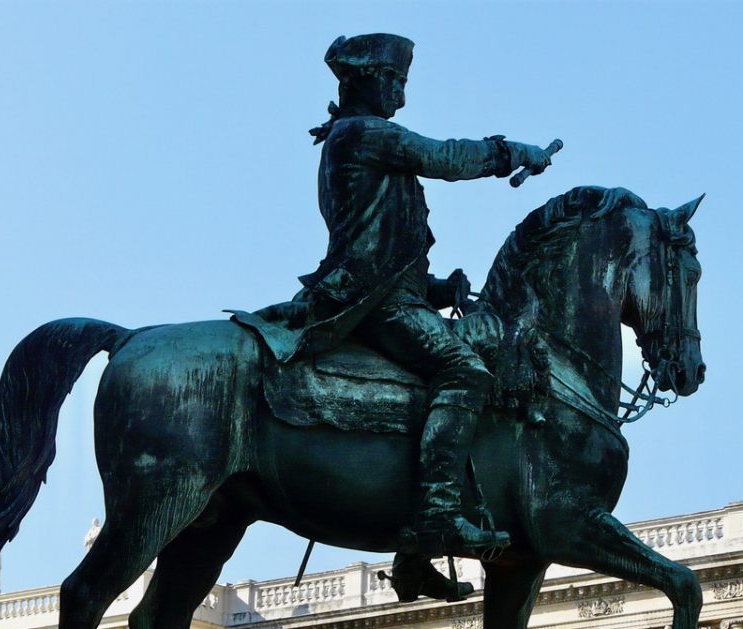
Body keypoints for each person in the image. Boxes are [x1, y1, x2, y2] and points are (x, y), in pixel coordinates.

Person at [236, 33, 554, 560]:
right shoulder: (363, 133)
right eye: (397, 83)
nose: (401, 98)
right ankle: (437, 514)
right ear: (371, 80)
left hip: (384, 292)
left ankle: (412, 560)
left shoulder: (352, 137)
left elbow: (371, 242)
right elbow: (447, 158)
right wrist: (513, 152)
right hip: (373, 302)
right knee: (466, 371)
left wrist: (433, 289)